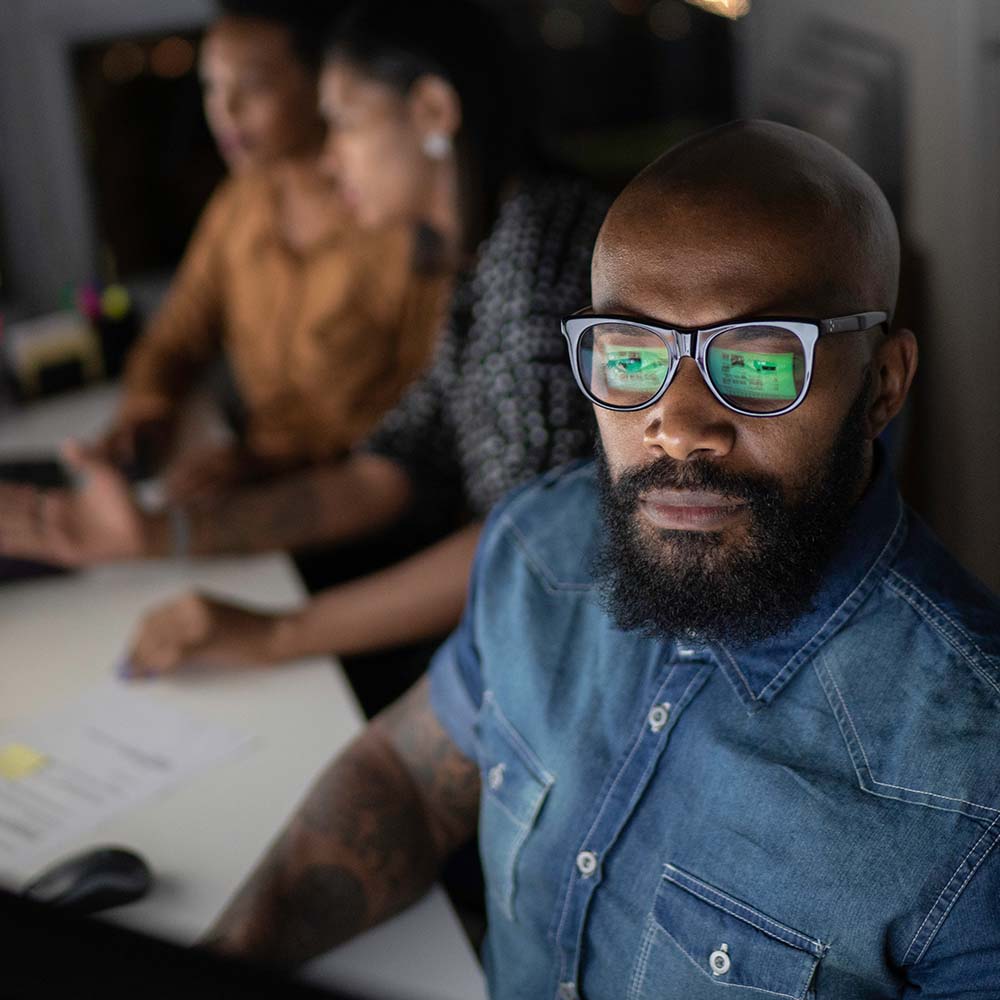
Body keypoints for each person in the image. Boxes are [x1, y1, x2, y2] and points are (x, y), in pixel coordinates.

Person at [201, 121, 1000, 998]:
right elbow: (407, 776)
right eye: (630, 355)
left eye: (762, 363)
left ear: (882, 384)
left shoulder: (973, 777)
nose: (677, 423)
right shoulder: (537, 550)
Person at [0, 0, 606, 692]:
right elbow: (392, 467)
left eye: (344, 122)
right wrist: (159, 532)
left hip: (557, 661)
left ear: (435, 112)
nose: (327, 152)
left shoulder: (540, 257)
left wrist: (276, 632)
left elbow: (529, 549)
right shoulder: (479, 251)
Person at [97, 0, 445, 501]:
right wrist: (148, 409)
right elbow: (177, 335)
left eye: (253, 87)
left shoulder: (397, 220)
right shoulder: (240, 204)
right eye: (212, 87)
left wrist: (284, 461)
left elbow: (426, 417)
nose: (224, 111)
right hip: (251, 479)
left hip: (356, 503)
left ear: (324, 83)